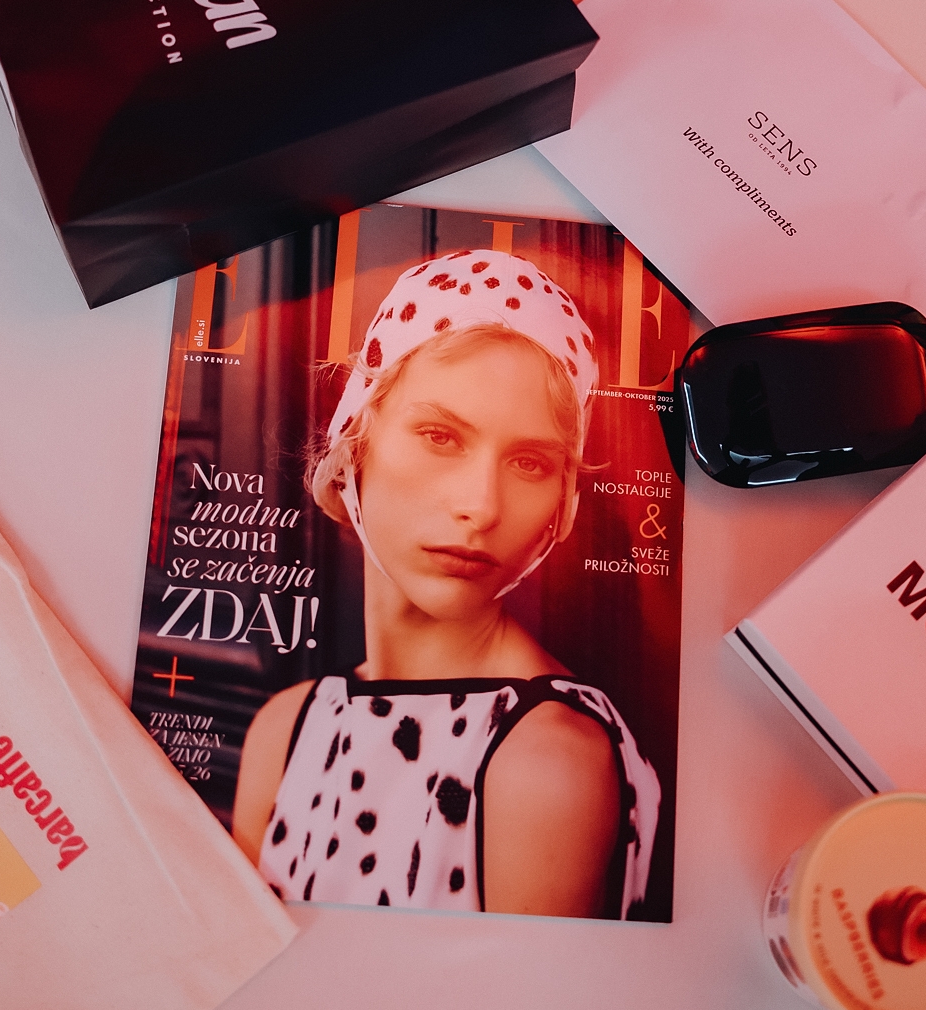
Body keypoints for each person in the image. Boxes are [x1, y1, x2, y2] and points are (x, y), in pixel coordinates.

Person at [233, 248, 659, 918]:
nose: (481, 507)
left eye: (529, 462)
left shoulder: (546, 758)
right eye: (440, 436)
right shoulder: (285, 729)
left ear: (564, 501)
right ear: (355, 439)